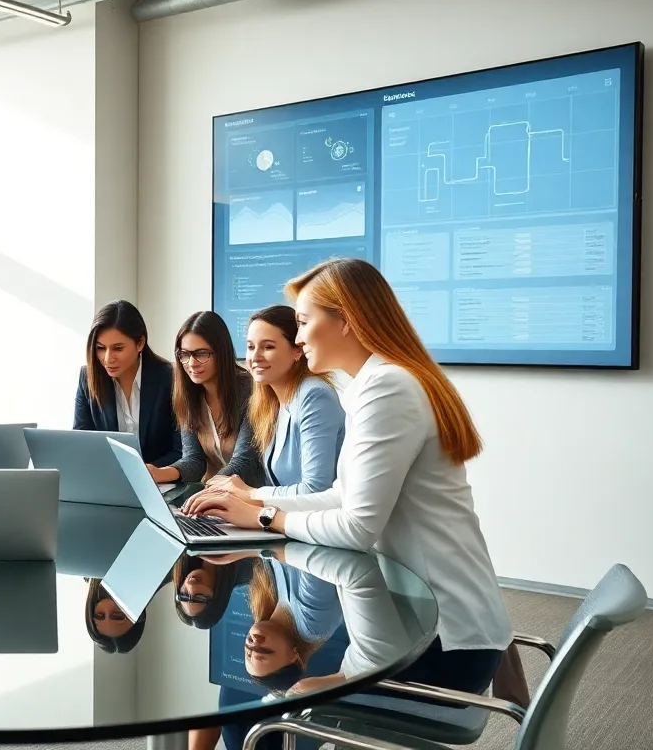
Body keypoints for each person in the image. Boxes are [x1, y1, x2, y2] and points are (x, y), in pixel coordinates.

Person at [185, 257, 513, 694]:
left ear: (346, 320)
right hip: (409, 625)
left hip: (439, 643)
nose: (298, 337)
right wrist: (256, 504)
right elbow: (341, 495)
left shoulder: (387, 387)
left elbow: (357, 527)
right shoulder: (377, 383)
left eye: (303, 322)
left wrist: (265, 518)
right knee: (290, 700)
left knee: (287, 705)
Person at [241, 304, 345, 496]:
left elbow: (315, 489)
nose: (255, 356)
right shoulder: (272, 401)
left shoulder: (314, 395)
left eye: (268, 347)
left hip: (317, 520)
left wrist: (249, 495)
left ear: (297, 350)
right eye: (250, 346)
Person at [152, 311, 262, 485]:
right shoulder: (188, 395)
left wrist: (207, 491)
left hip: (250, 495)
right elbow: (194, 460)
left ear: (221, 352)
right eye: (185, 354)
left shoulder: (250, 391)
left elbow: (245, 462)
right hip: (213, 494)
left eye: (202, 354)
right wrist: (158, 473)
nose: (192, 363)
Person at [73, 300, 182, 471]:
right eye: (101, 348)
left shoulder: (170, 378)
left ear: (140, 343)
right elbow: (81, 445)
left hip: (160, 482)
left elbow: (180, 451)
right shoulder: (87, 378)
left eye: (118, 348)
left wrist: (144, 471)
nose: (108, 358)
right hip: (108, 481)